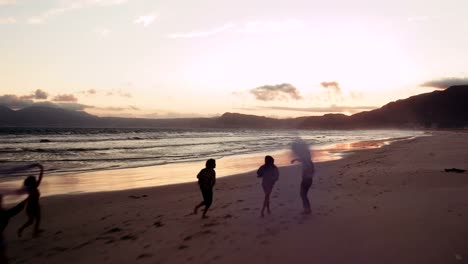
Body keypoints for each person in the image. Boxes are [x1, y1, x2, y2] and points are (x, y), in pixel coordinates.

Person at [17, 163, 44, 238]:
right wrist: (41, 169)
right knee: (32, 221)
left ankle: (35, 231)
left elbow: (40, 178)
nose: (36, 180)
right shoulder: (33, 188)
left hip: (34, 206)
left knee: (36, 219)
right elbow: (40, 178)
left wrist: (41, 169)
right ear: (32, 182)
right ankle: (21, 229)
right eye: (34, 180)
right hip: (32, 207)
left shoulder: (32, 188)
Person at [0, 193, 28, 264]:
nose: (2, 202)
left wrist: (24, 202)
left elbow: (12, 212)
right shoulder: (2, 213)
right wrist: (24, 202)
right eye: (0, 200)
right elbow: (13, 211)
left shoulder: (3, 212)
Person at [291, 140, 315, 214]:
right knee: (303, 194)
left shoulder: (308, 163)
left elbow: (310, 171)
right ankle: (307, 209)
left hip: (306, 180)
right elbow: (302, 160)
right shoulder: (308, 161)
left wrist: (306, 176)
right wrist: (295, 160)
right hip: (307, 180)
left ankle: (307, 209)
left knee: (303, 194)